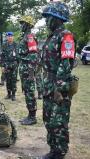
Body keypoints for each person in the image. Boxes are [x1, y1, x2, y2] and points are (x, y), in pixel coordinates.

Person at [41, 2, 76, 158]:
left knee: (58, 121)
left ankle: (60, 152)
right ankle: (53, 149)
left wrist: (59, 88)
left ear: (57, 18)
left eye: (48, 17)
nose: (46, 20)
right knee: (48, 119)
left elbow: (66, 63)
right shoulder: (51, 36)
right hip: (48, 84)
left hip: (58, 86)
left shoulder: (65, 35)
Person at [18, 15, 38, 125]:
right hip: (24, 69)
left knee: (30, 92)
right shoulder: (24, 36)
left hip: (28, 70)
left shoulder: (30, 37)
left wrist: (31, 72)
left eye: (23, 23)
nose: (21, 25)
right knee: (26, 92)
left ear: (28, 25)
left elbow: (33, 55)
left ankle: (32, 117)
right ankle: (29, 115)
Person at [0, 32, 18, 101]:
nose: (10, 37)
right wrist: (2, 66)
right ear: (7, 37)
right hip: (6, 65)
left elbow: (19, 55)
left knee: (13, 80)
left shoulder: (16, 45)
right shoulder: (4, 45)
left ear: (13, 37)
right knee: (8, 80)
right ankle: (8, 94)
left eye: (11, 36)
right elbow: (2, 56)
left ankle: (13, 95)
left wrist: (17, 63)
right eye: (8, 36)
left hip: (14, 65)